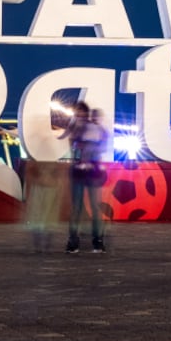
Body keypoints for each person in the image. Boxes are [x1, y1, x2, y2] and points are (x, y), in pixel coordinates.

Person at [63, 102, 109, 254]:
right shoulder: (76, 128)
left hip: (91, 171)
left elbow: (100, 146)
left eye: (81, 112)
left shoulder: (92, 128)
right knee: (77, 207)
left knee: (94, 207)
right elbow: (74, 147)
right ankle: (74, 241)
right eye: (76, 113)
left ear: (86, 113)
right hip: (80, 171)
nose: (78, 115)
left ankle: (97, 241)